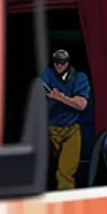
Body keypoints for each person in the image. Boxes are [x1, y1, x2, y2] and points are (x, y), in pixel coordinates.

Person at [40, 49, 91, 190]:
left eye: (63, 63)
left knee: (65, 173)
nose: (59, 66)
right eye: (57, 63)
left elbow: (81, 105)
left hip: (71, 130)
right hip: (50, 130)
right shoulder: (47, 75)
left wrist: (60, 97)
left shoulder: (79, 78)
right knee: (41, 169)